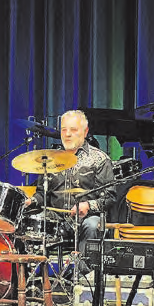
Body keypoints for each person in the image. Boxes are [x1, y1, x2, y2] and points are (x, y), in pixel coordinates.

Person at [24, 110, 116, 259]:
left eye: (73, 130)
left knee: (93, 225)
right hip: (55, 218)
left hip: (86, 219)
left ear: (85, 132)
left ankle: (83, 270)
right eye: (64, 130)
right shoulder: (50, 159)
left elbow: (110, 197)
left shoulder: (99, 159)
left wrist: (88, 205)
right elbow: (42, 194)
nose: (67, 134)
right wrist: (32, 201)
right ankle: (31, 270)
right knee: (25, 221)